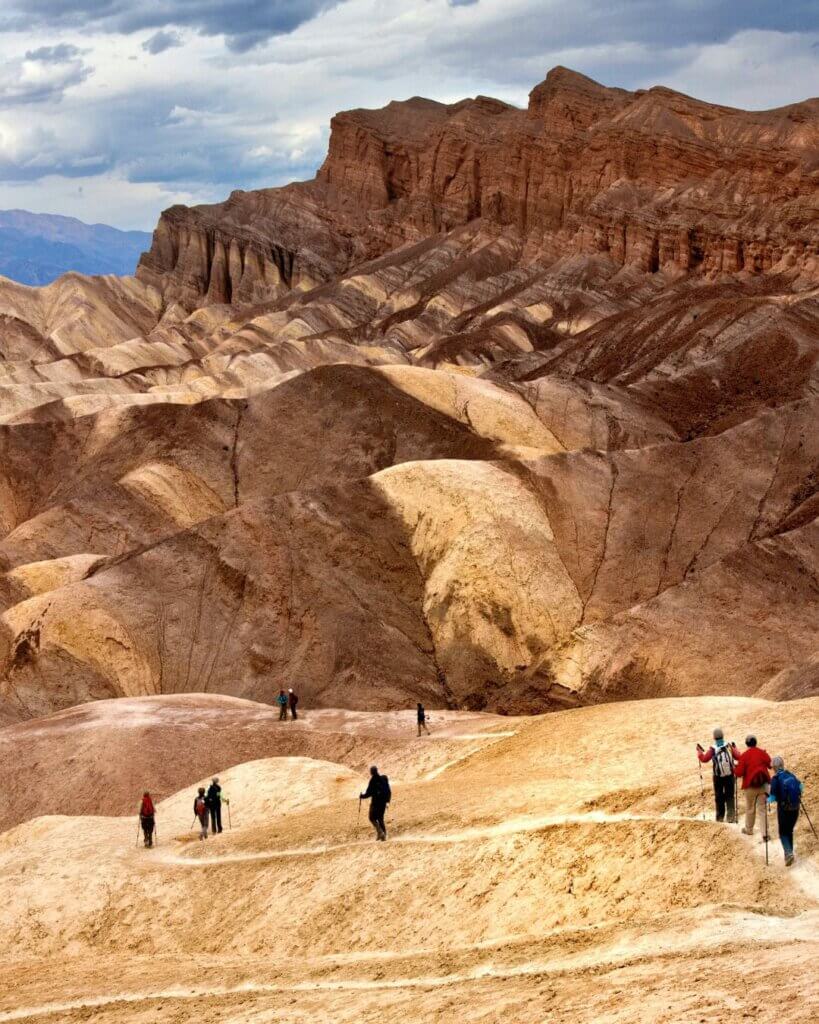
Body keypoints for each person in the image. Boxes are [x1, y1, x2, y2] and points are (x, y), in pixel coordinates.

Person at [732, 735, 772, 837]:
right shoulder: (761, 752)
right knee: (762, 809)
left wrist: (734, 768)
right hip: (763, 785)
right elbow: (770, 765)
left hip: (750, 787)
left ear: (747, 744)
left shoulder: (744, 756)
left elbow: (739, 773)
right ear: (756, 742)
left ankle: (749, 829)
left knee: (750, 808)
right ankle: (765, 834)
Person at [767, 756, 803, 866]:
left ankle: (788, 853)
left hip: (784, 810)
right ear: (782, 765)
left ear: (774, 767)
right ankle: (790, 853)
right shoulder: (790, 774)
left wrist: (767, 799)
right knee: (789, 831)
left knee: (783, 832)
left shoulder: (775, 779)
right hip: (795, 808)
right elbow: (801, 787)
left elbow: (772, 798)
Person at [696, 727, 736, 822]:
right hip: (729, 776)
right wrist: (735, 748)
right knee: (730, 796)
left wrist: (699, 752)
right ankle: (731, 817)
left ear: (714, 737)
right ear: (723, 735)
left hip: (718, 777)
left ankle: (720, 817)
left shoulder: (713, 749)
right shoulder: (728, 746)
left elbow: (704, 759)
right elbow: (738, 756)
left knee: (719, 796)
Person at [360, 765, 391, 841]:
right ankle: (383, 835)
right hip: (383, 803)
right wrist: (387, 801)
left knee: (371, 818)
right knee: (380, 818)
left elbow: (368, 793)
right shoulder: (383, 779)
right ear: (377, 770)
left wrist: (362, 796)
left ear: (371, 772)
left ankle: (380, 832)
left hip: (375, 803)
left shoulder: (372, 781)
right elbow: (388, 791)